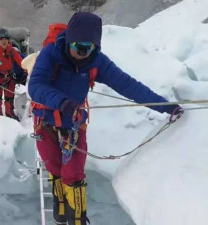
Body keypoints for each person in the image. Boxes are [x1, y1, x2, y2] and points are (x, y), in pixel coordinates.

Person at [28, 12, 183, 225]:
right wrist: (63, 102)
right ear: (69, 40)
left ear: (96, 46)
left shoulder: (96, 62)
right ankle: (60, 207)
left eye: (88, 47)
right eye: (77, 46)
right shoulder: (51, 54)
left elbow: (128, 85)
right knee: (54, 167)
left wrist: (164, 106)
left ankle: (78, 220)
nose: (82, 52)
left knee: (73, 174)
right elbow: (36, 87)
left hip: (72, 124)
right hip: (46, 121)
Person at [0, 28, 23, 121]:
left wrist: (27, 68)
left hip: (9, 78)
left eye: (6, 39)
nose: (4, 41)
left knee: (9, 98)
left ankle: (10, 113)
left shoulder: (12, 51)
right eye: (2, 39)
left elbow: (21, 62)